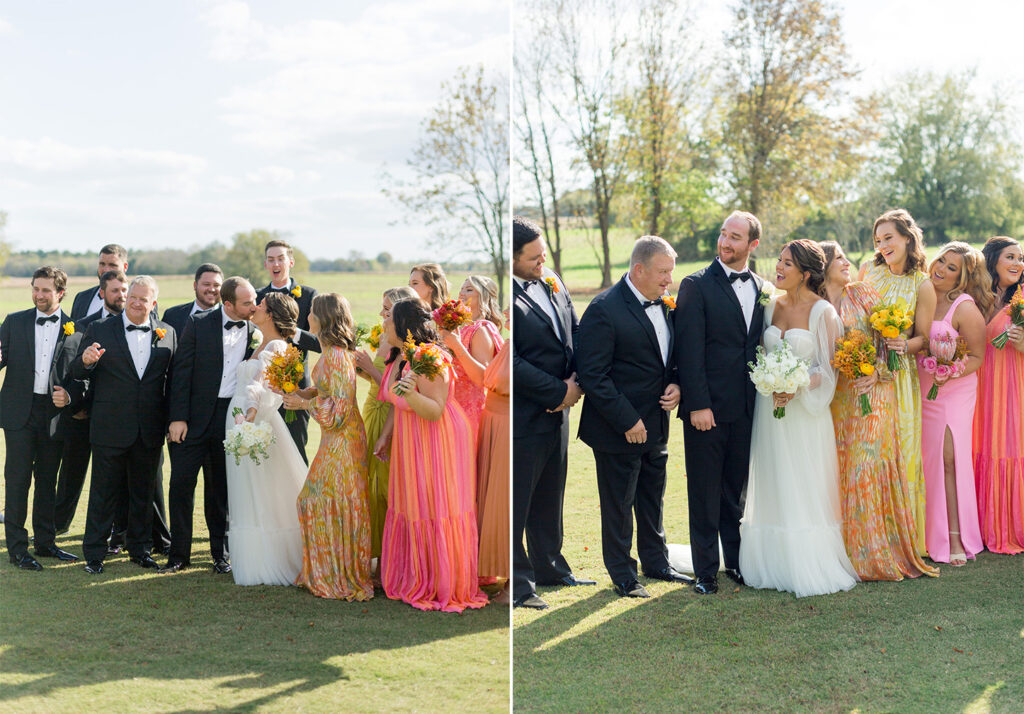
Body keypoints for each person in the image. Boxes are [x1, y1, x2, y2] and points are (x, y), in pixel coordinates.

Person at [738, 240, 857, 597]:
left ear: (805, 273)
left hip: (805, 413)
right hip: (770, 412)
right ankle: (769, 563)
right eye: (778, 260)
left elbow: (830, 369)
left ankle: (805, 562)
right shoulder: (770, 305)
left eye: (786, 263)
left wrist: (798, 383)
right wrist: (770, 379)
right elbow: (760, 352)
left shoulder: (824, 312)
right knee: (774, 477)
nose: (778, 267)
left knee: (803, 480)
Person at [578, 236, 692, 598]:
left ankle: (656, 563)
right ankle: (623, 575)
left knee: (651, 497)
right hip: (617, 429)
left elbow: (669, 357)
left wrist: (676, 383)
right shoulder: (603, 309)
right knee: (618, 504)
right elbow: (593, 374)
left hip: (656, 424)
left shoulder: (665, 305)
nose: (668, 281)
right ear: (639, 269)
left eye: (671, 273)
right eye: (662, 273)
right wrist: (627, 420)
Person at [821, 242, 937, 581]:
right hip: (835, 400)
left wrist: (876, 372)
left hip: (875, 392)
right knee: (841, 469)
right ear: (823, 265)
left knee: (867, 466)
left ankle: (873, 554)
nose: (847, 262)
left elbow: (892, 340)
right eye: (839, 257)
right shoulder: (814, 303)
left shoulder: (863, 294)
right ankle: (841, 552)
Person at [674, 211, 768, 595]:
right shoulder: (695, 285)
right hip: (706, 409)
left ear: (753, 245)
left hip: (747, 409)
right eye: (723, 235)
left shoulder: (762, 287)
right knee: (704, 491)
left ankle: (736, 563)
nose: (726, 243)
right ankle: (705, 572)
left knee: (736, 491)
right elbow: (689, 350)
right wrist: (698, 404)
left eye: (735, 237)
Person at [377, 298, 487, 612]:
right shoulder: (403, 356)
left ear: (402, 326)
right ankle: (414, 573)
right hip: (412, 440)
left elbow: (436, 410)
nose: (383, 323)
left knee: (435, 504)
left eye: (388, 319)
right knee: (415, 505)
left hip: (436, 439)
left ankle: (441, 581)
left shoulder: (428, 356)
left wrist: (410, 393)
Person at [512, 216, 594, 610]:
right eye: (532, 258)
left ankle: (551, 567)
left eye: (543, 254)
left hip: (559, 411)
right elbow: (511, 362)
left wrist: (577, 378)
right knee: (519, 499)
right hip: (522, 412)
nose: (541, 262)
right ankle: (519, 584)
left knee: (550, 492)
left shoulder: (552, 280)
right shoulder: (503, 298)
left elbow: (574, 330)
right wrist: (558, 390)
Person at [71, 276, 175, 574]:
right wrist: (87, 360)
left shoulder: (167, 333)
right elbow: (77, 369)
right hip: (109, 427)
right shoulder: (101, 328)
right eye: (133, 296)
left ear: (153, 303)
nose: (136, 302)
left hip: (149, 429)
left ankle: (140, 549)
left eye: (144, 298)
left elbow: (172, 382)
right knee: (103, 493)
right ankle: (94, 552)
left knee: (143, 494)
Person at [164, 276, 260, 574]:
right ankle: (179, 555)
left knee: (220, 489)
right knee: (181, 484)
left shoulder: (256, 331)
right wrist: (177, 417)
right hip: (191, 419)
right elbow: (180, 372)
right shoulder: (198, 323)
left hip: (229, 418)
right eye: (247, 303)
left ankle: (220, 554)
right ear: (228, 304)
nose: (253, 307)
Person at [284, 293, 373, 600]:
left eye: (311, 311)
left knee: (319, 499)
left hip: (343, 440)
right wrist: (304, 393)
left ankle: (337, 576)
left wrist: (302, 404)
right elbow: (328, 389)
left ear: (321, 317)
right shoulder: (334, 352)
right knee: (321, 499)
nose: (307, 315)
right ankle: (328, 570)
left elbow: (337, 411)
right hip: (340, 438)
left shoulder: (335, 355)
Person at [860, 209, 936, 557]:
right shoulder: (869, 273)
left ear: (907, 237)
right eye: (878, 240)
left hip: (900, 376)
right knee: (869, 452)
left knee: (900, 454)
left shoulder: (922, 283)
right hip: (864, 372)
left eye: (889, 237)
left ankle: (901, 541)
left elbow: (924, 339)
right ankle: (867, 536)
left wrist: (903, 344)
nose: (883, 245)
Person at [225, 292, 307, 586]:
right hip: (242, 417)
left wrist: (248, 419)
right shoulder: (263, 342)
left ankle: (270, 560)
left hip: (255, 422)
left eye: (259, 305)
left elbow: (265, 389)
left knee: (262, 490)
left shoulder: (277, 347)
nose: (254, 307)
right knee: (248, 488)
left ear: (271, 314)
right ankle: (257, 557)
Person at [1, 267, 77, 569]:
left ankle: (46, 544)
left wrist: (69, 396)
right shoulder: (14, 322)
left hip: (54, 414)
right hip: (19, 411)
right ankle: (18, 550)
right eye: (36, 288)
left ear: (60, 293)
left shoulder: (76, 328)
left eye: (46, 290)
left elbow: (81, 376)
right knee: (17, 481)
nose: (38, 295)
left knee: (47, 481)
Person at [918, 243, 989, 565]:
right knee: (923, 459)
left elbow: (977, 357)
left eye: (951, 268)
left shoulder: (963, 307)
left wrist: (950, 372)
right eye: (941, 261)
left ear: (962, 277)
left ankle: (956, 537)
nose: (941, 269)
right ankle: (922, 535)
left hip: (952, 393)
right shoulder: (920, 292)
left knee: (949, 459)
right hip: (917, 388)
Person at [51, 270, 129, 535]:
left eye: (124, 290)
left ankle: (119, 532)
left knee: (116, 477)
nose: (121, 295)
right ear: (102, 293)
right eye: (115, 290)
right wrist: (76, 405)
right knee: (71, 473)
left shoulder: (142, 323)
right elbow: (70, 368)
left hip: (117, 416)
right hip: (81, 413)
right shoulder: (82, 324)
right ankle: (56, 527)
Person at [353, 286, 418, 566]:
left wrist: (369, 367)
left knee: (385, 486)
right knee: (368, 481)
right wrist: (360, 367)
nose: (381, 313)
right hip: (371, 409)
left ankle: (392, 554)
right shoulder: (382, 336)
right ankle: (373, 551)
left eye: (387, 310)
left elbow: (395, 390)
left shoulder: (404, 345)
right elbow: (379, 382)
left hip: (389, 412)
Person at [973, 236, 1024, 554]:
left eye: (1021, 258)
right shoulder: (975, 297)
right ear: (992, 261)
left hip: (1012, 383)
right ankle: (978, 524)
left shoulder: (1023, 298)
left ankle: (1010, 525)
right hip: (977, 385)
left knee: (1008, 445)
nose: (1018, 263)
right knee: (981, 445)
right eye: (1011, 257)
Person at [255, 239, 318, 463]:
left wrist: (293, 332)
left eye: (280, 258)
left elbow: (320, 343)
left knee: (296, 451)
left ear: (290, 261)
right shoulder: (257, 297)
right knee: (264, 454)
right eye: (271, 259)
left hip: (296, 388)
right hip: (262, 386)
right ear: (265, 264)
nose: (276, 263)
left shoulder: (309, 295)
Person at [439, 276, 504, 436]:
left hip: (469, 410)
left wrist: (456, 346)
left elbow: (483, 378)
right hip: (449, 406)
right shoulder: (459, 327)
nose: (461, 293)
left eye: (469, 290)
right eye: (461, 289)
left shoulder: (481, 329)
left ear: (484, 295)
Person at [477, 329, 511, 603]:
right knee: (492, 501)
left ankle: (512, 583)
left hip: (505, 426)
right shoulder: (508, 342)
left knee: (504, 503)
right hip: (492, 422)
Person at [161, 263, 224, 335]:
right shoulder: (172, 315)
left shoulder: (231, 317)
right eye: (206, 284)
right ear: (195, 285)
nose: (212, 289)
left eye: (216, 285)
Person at [70, 244, 129, 320]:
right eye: (102, 264)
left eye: (112, 265)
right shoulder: (82, 298)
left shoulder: (136, 301)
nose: (106, 270)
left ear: (125, 267)